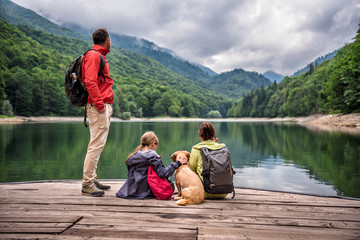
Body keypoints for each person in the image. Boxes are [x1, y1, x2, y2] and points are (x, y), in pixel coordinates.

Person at [81, 28, 114, 197]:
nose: (111, 41)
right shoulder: (94, 55)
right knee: (95, 145)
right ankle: (87, 183)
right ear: (106, 39)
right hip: (98, 107)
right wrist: (100, 105)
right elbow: (90, 82)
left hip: (100, 106)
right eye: (110, 38)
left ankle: (92, 179)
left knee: (98, 145)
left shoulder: (99, 56)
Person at [116, 131, 187, 199]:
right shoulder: (152, 158)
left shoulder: (133, 157)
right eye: (156, 145)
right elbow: (163, 174)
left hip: (130, 190)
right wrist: (177, 163)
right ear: (153, 144)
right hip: (146, 191)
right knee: (170, 184)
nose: (156, 148)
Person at [188, 122, 228, 199]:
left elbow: (191, 171)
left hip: (205, 192)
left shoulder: (196, 149)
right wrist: (214, 146)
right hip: (224, 192)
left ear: (199, 135)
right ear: (213, 135)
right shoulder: (222, 147)